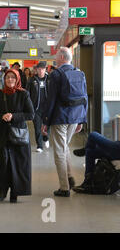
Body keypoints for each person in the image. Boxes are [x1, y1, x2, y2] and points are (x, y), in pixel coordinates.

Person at [42, 47, 88, 197]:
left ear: (62, 57)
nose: (55, 57)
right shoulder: (80, 73)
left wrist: (45, 122)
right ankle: (69, 176)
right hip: (75, 117)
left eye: (56, 55)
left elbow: (51, 100)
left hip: (60, 117)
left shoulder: (56, 74)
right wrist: (82, 119)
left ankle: (64, 187)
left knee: (59, 152)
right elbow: (84, 98)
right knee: (65, 147)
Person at [0, 69, 34, 203]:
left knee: (18, 164)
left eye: (13, 78)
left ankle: (16, 191)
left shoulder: (23, 94)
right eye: (8, 78)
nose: (10, 80)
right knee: (2, 163)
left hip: (18, 135)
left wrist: (13, 116)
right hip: (2, 134)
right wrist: (1, 116)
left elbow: (30, 114)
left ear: (17, 79)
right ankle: (3, 190)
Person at [26, 61, 49, 153]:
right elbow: (27, 93)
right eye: (39, 69)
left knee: (48, 125)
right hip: (36, 108)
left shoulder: (49, 79)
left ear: (45, 69)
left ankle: (46, 137)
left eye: (42, 69)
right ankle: (39, 145)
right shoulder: (32, 80)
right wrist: (29, 105)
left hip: (47, 107)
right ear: (36, 70)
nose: (40, 71)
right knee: (37, 126)